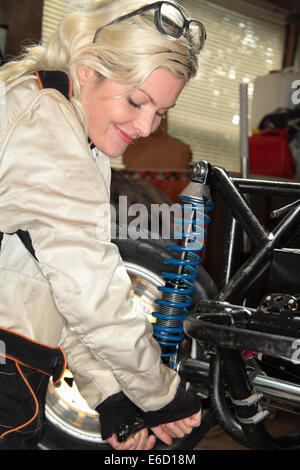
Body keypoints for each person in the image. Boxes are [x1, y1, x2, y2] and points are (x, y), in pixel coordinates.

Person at [0, 0, 206, 450]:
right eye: (137, 101)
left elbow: (52, 283)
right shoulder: (45, 122)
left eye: (160, 111)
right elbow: (90, 286)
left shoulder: (71, 128)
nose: (148, 126)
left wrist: (111, 396)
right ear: (89, 68)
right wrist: (159, 392)